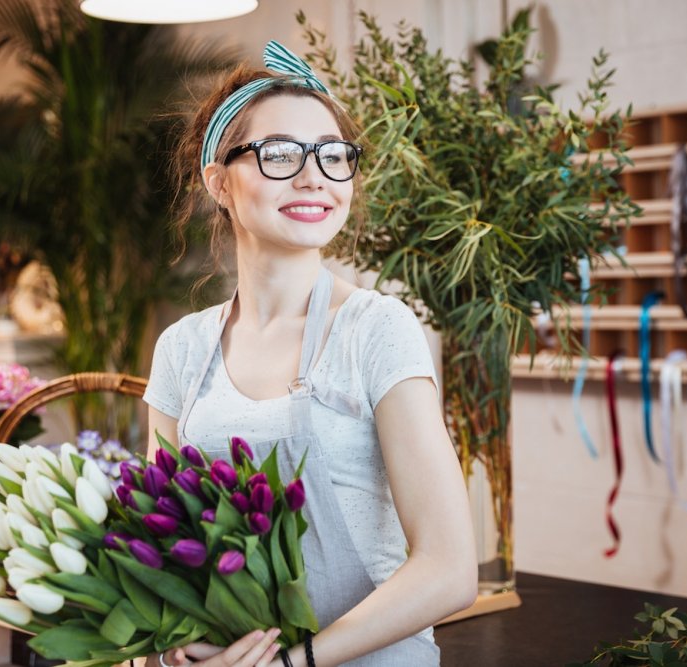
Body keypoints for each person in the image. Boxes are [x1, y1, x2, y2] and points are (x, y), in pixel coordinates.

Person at [143, 41, 477, 667]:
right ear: (218, 182)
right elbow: (163, 542)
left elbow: (451, 568)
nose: (313, 177)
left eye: (333, 156)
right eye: (278, 155)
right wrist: (173, 647)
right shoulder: (181, 351)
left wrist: (297, 661)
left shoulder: (376, 330)